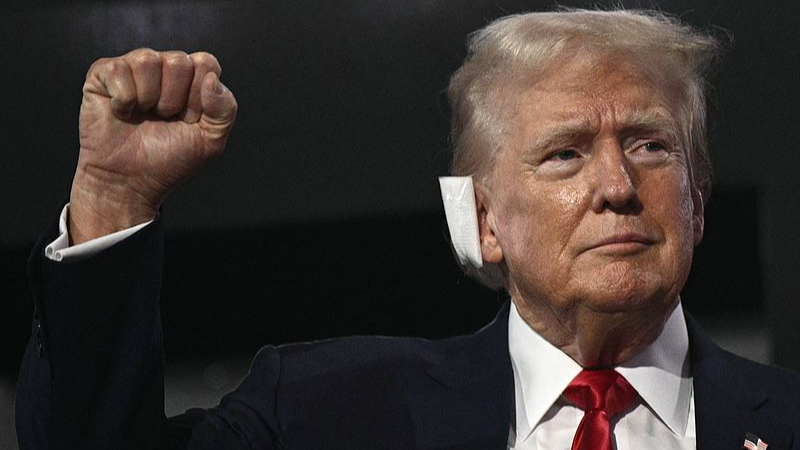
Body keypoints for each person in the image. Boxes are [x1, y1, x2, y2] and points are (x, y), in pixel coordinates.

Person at [16, 8, 800, 450]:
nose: (618, 187)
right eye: (564, 155)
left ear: (697, 200)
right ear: (485, 222)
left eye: (650, 145)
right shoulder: (325, 413)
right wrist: (113, 199)